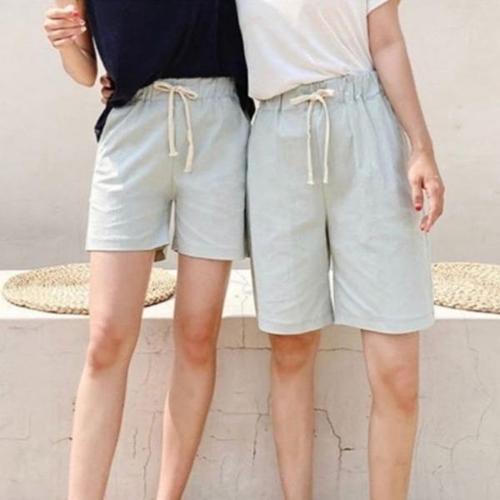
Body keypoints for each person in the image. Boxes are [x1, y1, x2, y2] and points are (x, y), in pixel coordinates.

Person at [235, 0, 445, 498]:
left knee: (396, 367)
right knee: (291, 348)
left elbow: (386, 41)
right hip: (277, 135)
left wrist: (422, 148)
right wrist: (123, 74)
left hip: (367, 129)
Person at [43, 1, 251, 498]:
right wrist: (64, 40)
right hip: (133, 124)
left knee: (197, 334)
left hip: (220, 124)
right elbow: (84, 70)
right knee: (107, 338)